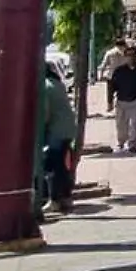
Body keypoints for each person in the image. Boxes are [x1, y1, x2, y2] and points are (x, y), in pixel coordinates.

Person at [39, 63, 76, 213]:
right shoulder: (57, 83)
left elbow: (45, 114)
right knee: (62, 166)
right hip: (67, 128)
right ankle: (66, 197)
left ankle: (54, 200)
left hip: (56, 131)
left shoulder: (45, 87)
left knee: (52, 166)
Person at [108, 47, 136, 153]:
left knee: (135, 123)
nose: (130, 58)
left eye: (133, 55)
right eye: (128, 55)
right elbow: (112, 86)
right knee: (121, 124)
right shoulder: (119, 71)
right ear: (125, 57)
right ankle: (121, 141)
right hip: (122, 100)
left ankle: (132, 144)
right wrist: (109, 101)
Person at [101, 40, 127, 114]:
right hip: (123, 75)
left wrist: (101, 74)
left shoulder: (109, 52)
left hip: (111, 75)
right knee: (122, 91)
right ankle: (120, 105)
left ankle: (109, 106)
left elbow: (104, 64)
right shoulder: (126, 53)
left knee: (110, 92)